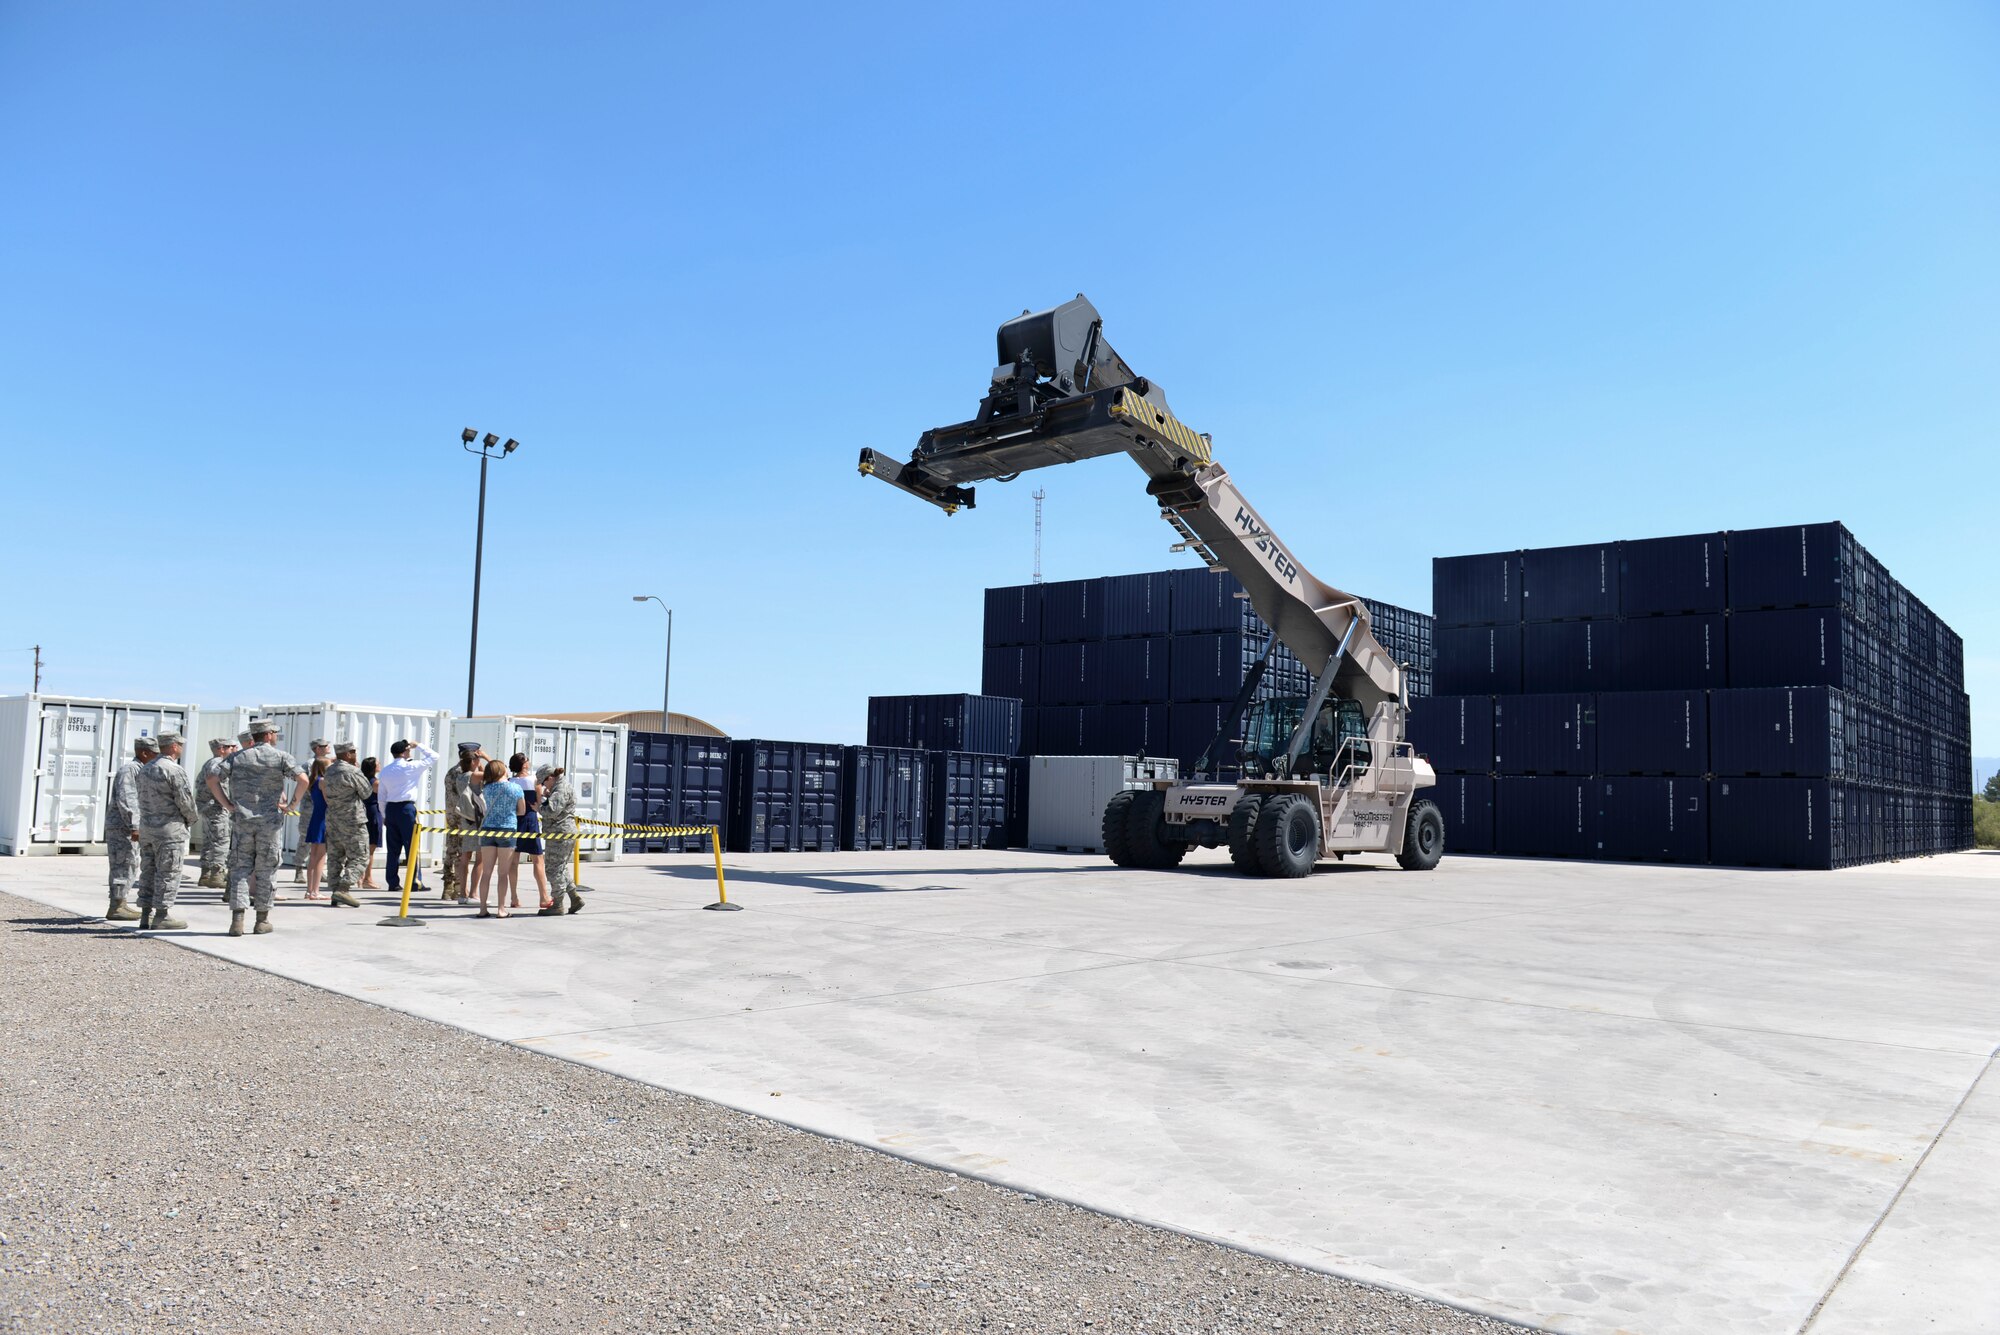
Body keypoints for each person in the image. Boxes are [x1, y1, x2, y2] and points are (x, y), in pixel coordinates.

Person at [210, 719, 308, 937]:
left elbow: (212, 779)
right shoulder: (281, 757)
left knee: (240, 869)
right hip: (269, 824)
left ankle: (237, 920)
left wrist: (227, 804)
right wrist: (291, 805)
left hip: (242, 822)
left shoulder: (237, 757)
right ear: (269, 734)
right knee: (266, 870)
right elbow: (303, 780)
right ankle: (262, 920)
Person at [134, 732, 199, 930]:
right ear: (172, 746)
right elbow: (185, 801)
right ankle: (162, 915)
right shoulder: (173, 769)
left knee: (148, 870)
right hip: (169, 830)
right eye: (179, 744)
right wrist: (192, 819)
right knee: (168, 872)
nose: (181, 748)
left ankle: (145, 914)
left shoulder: (145, 769)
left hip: (148, 828)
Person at [377, 737, 438, 895]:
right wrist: (418, 745)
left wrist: (384, 815)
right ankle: (414, 882)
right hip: (406, 808)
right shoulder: (410, 766)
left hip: (391, 808)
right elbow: (434, 756)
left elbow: (381, 796)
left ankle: (393, 882)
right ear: (404, 752)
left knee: (393, 848)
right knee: (412, 846)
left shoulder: (385, 771)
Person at [103, 736, 155, 921]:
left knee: (130, 863)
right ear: (144, 753)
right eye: (154, 753)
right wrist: (135, 825)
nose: (157, 757)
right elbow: (127, 799)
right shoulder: (130, 770)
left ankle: (121, 902)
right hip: (122, 827)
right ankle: (116, 906)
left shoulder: (142, 769)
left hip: (128, 826)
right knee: (123, 864)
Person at [319, 742, 371, 908]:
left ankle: (335, 891)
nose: (355, 754)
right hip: (352, 820)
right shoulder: (352, 771)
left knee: (335, 856)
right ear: (348, 754)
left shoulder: (329, 770)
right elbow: (367, 792)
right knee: (361, 856)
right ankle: (343, 888)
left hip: (333, 819)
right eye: (353, 751)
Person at [471, 759, 524, 918]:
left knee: (486, 872)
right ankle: (501, 909)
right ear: (502, 771)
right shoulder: (515, 788)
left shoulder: (487, 788)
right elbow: (521, 811)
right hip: (507, 830)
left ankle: (482, 908)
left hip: (488, 830)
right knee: (503, 873)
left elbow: (474, 778)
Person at [509, 752, 553, 913]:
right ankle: (543, 896)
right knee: (538, 860)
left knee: (513, 861)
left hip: (514, 821)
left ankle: (514, 897)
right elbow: (540, 798)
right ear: (524, 764)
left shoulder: (510, 781)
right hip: (530, 820)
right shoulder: (534, 780)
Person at [539, 764, 584, 915]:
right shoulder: (561, 787)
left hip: (560, 833)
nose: (543, 785)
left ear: (550, 778)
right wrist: (548, 795)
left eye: (543, 782)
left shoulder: (560, 789)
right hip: (564, 832)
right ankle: (574, 897)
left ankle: (557, 904)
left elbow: (552, 811)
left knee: (553, 869)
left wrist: (537, 806)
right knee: (561, 867)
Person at [444, 742, 486, 902]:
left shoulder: (451, 772)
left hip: (454, 816)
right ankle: (461, 888)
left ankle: (449, 887)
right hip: (467, 817)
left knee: (452, 851)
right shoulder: (468, 774)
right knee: (464, 855)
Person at [194, 737, 237, 891]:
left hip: (208, 808)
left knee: (209, 841)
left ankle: (205, 874)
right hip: (217, 808)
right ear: (221, 749)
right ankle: (216, 875)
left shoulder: (209, 763)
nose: (234, 749)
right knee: (221, 841)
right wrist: (230, 804)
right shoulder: (218, 764)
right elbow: (219, 787)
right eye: (231, 747)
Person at [294, 738, 333, 884]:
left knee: (321, 842)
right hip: (310, 807)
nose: (328, 747)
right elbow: (308, 785)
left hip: (320, 808)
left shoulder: (328, 762)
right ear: (317, 748)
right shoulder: (309, 764)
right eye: (324, 746)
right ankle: (299, 868)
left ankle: (318, 870)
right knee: (305, 839)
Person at [302, 758, 330, 900]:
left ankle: (309, 890)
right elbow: (328, 801)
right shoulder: (322, 781)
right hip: (323, 819)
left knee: (313, 856)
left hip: (316, 817)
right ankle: (315, 890)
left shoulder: (313, 781)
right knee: (320, 857)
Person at [359, 756, 384, 889]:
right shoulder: (376, 783)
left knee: (364, 848)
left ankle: (361, 877)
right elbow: (384, 797)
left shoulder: (362, 780)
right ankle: (367, 878)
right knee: (370, 849)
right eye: (377, 763)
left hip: (363, 812)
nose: (380, 764)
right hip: (373, 812)